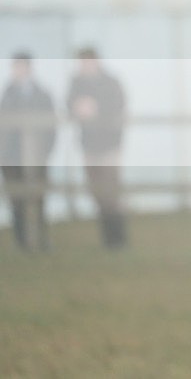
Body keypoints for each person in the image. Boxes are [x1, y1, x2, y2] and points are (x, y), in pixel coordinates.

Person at [67, 48, 127, 248]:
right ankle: (107, 238)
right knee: (96, 191)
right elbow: (69, 105)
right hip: (89, 147)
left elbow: (118, 105)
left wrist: (96, 108)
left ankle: (118, 237)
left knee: (111, 191)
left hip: (109, 146)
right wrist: (77, 108)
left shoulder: (110, 82)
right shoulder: (77, 83)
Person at [0, 53, 57, 250]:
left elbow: (51, 126)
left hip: (36, 156)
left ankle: (40, 239)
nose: (19, 70)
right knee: (16, 198)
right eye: (17, 66)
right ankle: (21, 241)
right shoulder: (7, 94)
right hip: (11, 157)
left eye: (22, 66)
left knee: (38, 197)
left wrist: (45, 151)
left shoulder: (42, 94)